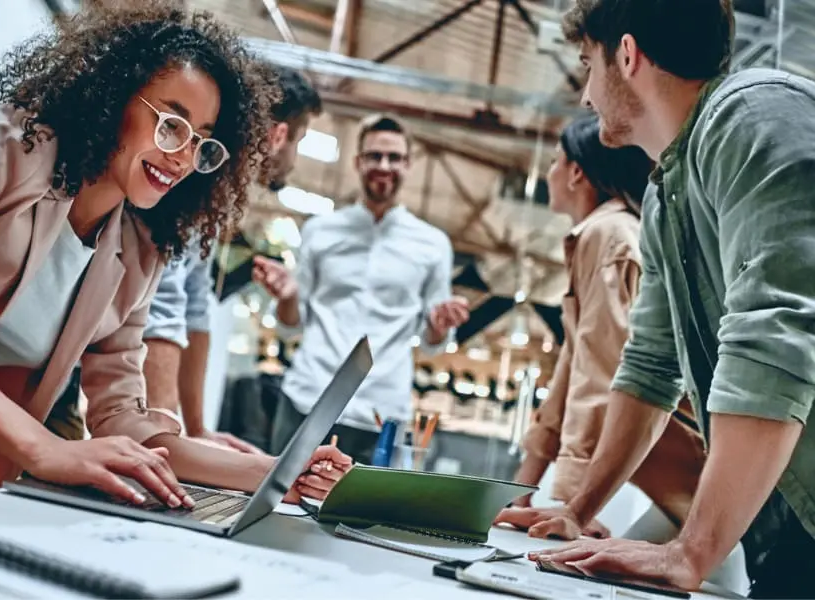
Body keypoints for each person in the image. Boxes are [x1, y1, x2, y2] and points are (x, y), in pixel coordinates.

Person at [0, 1, 350, 524]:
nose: (183, 158)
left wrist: (276, 471)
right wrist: (46, 450)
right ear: (115, 97)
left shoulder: (139, 251)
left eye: (203, 144)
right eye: (171, 125)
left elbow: (122, 416)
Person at [511, 1, 815, 597]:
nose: (584, 97)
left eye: (586, 66)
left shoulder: (754, 114)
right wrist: (577, 507)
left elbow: (776, 336)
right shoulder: (664, 195)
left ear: (626, 56)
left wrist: (691, 551)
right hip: (788, 522)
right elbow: (650, 366)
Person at [498, 114, 705, 539]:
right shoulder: (604, 233)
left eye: (555, 161)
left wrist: (574, 505)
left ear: (576, 172)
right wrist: (522, 486)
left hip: (691, 473)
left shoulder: (608, 235)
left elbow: (602, 371)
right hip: (676, 480)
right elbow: (571, 371)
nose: (551, 172)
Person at [253, 114, 470, 465]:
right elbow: (291, 324)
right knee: (278, 506)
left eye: (394, 157)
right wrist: (289, 297)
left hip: (381, 413)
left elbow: (432, 345)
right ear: (357, 162)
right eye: (374, 156)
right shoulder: (320, 231)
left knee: (362, 517)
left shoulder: (433, 245)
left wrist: (439, 325)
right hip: (308, 399)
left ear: (408, 164)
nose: (384, 165)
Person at [138, 65, 322, 453]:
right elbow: (165, 305)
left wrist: (196, 429)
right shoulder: (195, 180)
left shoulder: (220, 196)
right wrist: (169, 441)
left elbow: (194, 305)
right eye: (299, 141)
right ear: (278, 135)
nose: (293, 158)